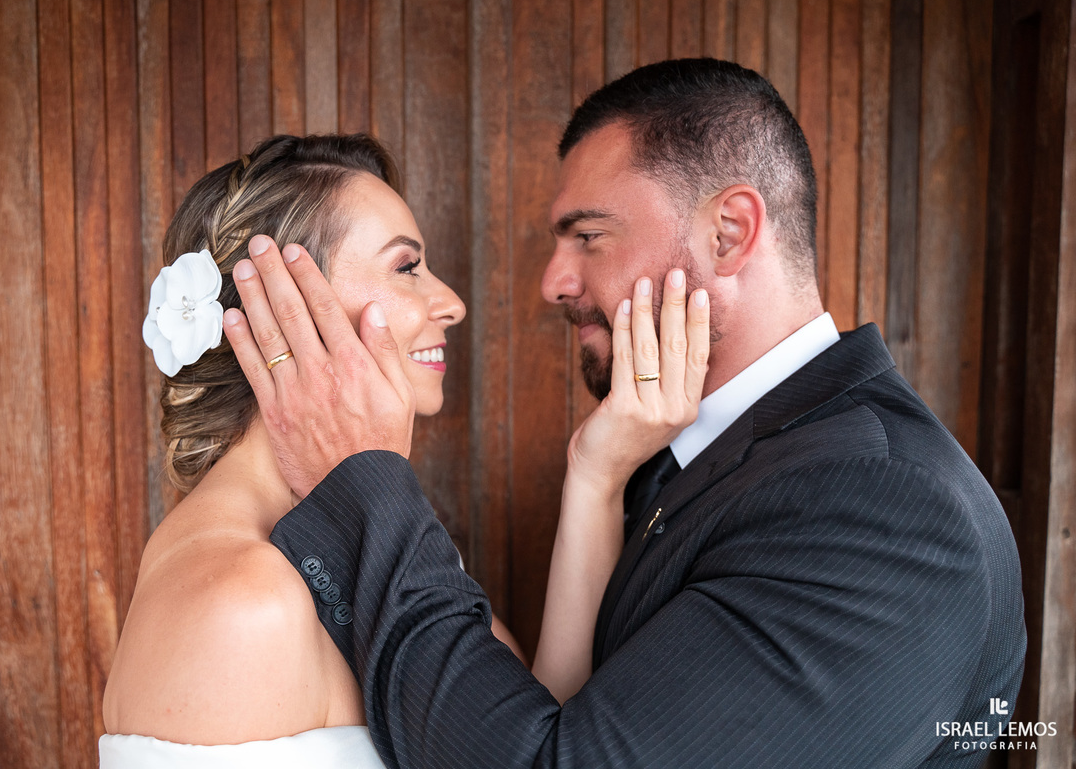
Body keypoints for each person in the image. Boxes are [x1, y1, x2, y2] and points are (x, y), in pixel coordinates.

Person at [224, 59, 1028, 767]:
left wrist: (362, 479)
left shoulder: (885, 509)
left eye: (590, 237)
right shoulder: (690, 455)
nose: (553, 282)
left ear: (730, 232)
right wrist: (595, 475)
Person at [100, 133, 711, 766]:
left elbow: (535, 741)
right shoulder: (241, 606)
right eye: (406, 267)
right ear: (284, 307)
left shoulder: (383, 542)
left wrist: (597, 477)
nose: (451, 303)